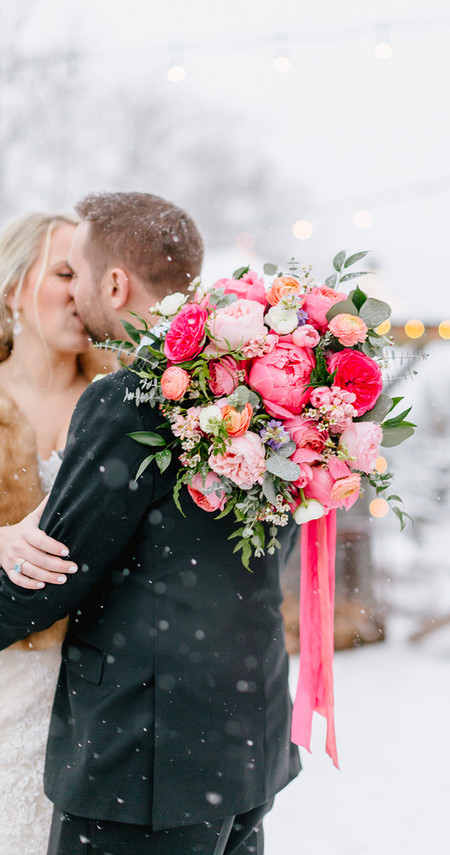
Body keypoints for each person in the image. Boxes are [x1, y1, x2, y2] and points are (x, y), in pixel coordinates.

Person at [0, 192, 301, 855]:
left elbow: (59, 571)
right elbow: (264, 548)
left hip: (141, 755)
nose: (74, 292)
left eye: (76, 272)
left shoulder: (128, 397)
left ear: (114, 284)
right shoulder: (259, 390)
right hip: (238, 739)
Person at [0, 212, 115, 854]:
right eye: (64, 272)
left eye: (90, 275)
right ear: (13, 286)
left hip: (102, 691)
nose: (80, 292)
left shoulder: (128, 403)